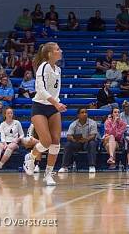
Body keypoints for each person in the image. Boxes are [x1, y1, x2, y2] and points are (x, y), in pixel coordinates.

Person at [23, 42, 67, 186]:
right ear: (50, 54)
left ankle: (48, 174)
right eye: (57, 49)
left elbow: (56, 90)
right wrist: (56, 103)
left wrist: (56, 103)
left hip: (53, 107)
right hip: (40, 107)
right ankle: (30, 157)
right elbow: (40, 90)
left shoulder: (58, 69)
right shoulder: (43, 67)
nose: (60, 50)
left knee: (56, 143)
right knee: (46, 141)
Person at [59, 108, 99, 173]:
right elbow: (69, 136)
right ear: (78, 115)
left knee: (92, 143)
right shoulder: (73, 124)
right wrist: (74, 139)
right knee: (68, 144)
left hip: (88, 142)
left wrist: (85, 139)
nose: (85, 114)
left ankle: (92, 166)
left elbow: (93, 135)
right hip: (77, 143)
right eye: (82, 112)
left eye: (86, 112)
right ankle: (64, 166)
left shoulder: (93, 123)